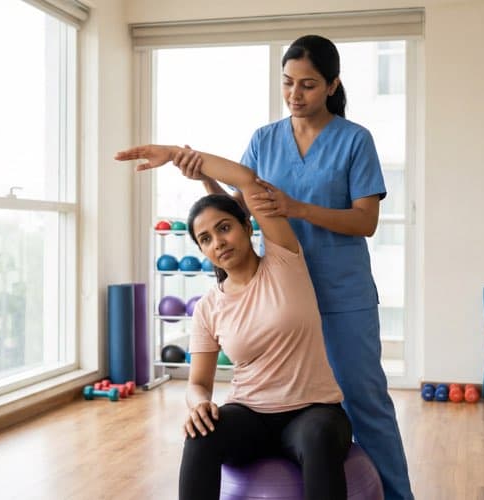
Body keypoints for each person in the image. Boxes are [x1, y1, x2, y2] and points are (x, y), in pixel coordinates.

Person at [175, 34, 414, 499]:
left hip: (342, 295)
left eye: (307, 85)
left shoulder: (354, 140)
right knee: (283, 403)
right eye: (287, 83)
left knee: (366, 405)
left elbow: (366, 221)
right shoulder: (265, 140)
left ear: (331, 85)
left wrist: (295, 208)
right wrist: (200, 176)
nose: (295, 95)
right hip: (279, 295)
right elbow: (237, 210)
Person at [115, 144, 353, 500]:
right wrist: (199, 407)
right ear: (202, 250)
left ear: (246, 224)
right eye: (206, 239)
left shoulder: (285, 262)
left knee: (318, 436)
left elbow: (246, 179)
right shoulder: (209, 307)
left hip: (314, 412)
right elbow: (198, 383)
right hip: (249, 415)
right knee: (201, 433)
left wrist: (178, 155)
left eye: (224, 228)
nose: (218, 242)